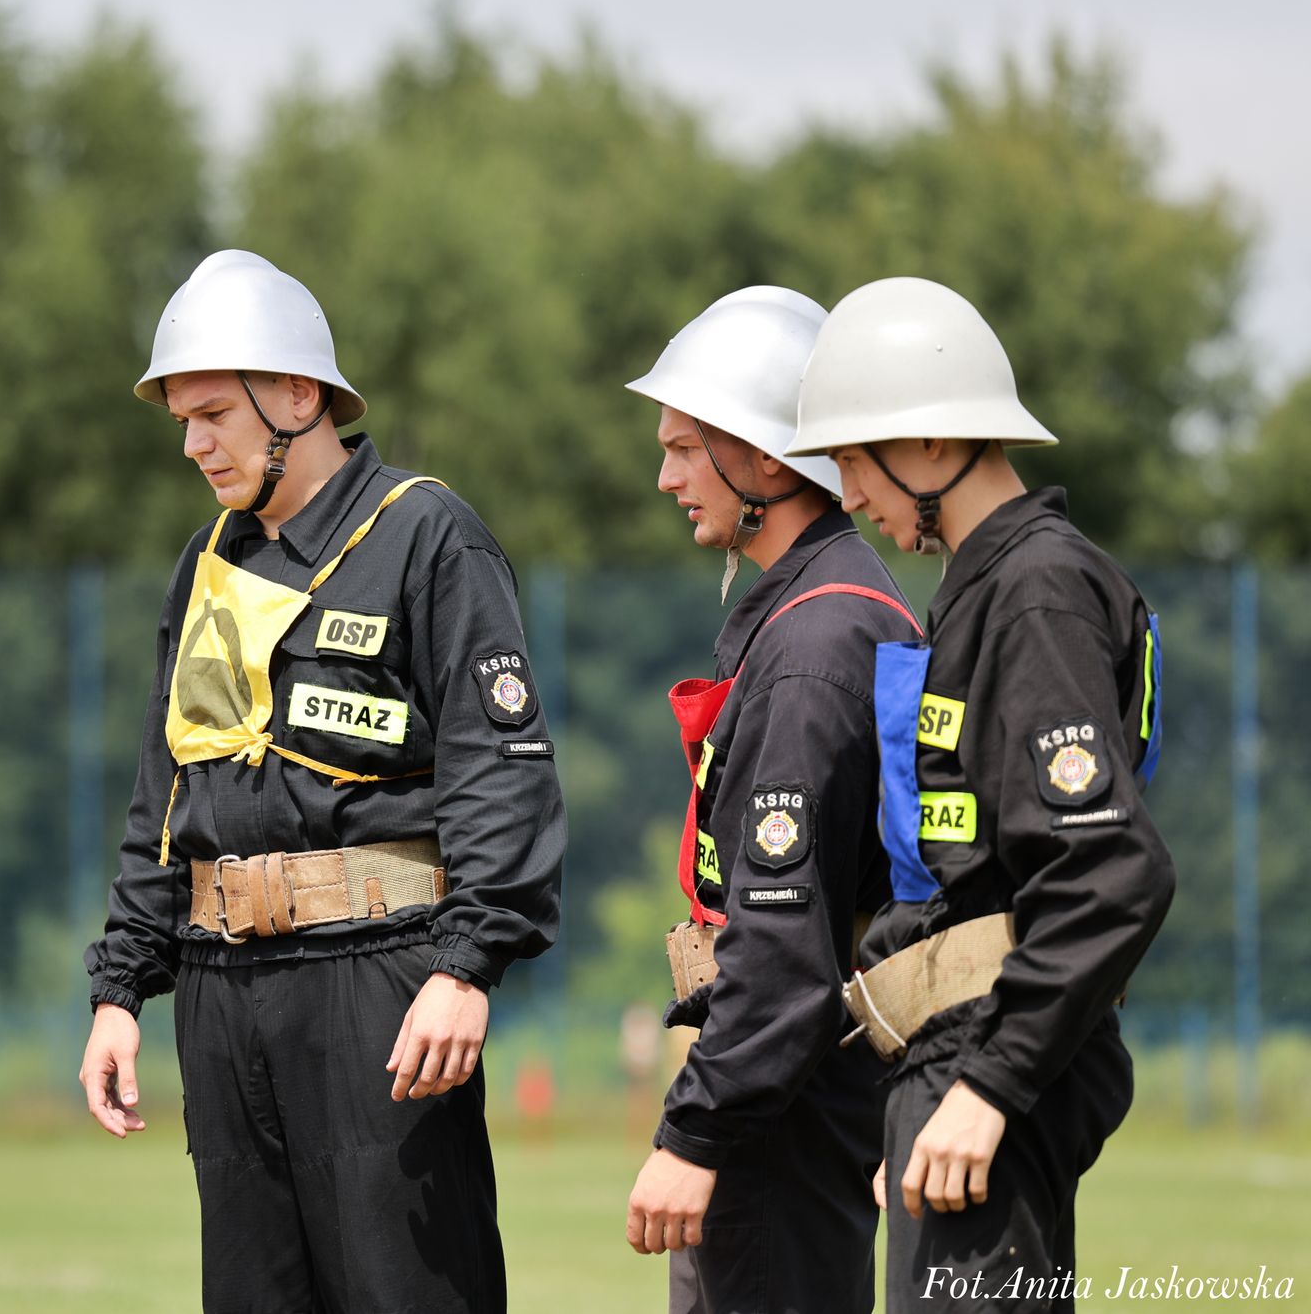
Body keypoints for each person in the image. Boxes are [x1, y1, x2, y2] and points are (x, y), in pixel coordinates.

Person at [79, 249, 565, 1313]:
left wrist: (466, 965)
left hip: (379, 983)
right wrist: (120, 987)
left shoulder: (425, 533)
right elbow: (166, 792)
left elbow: (500, 769)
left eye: (214, 414)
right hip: (219, 992)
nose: (193, 443)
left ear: (298, 398)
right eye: (183, 421)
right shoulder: (208, 561)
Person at [786, 276, 1175, 1313]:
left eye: (851, 459)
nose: (846, 495)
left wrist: (986, 1086)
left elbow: (1111, 872)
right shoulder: (986, 589)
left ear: (927, 442)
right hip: (956, 1055)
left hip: (991, 1055)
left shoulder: (1035, 592)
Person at [620, 287, 919, 1312]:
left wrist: (694, 1132)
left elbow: (786, 947)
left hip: (779, 1110)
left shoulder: (812, 646)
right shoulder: (820, 605)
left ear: (764, 458)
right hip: (783, 1089)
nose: (665, 476)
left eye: (684, 447)